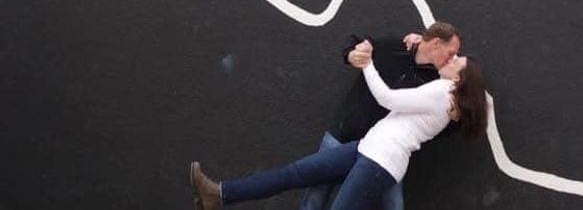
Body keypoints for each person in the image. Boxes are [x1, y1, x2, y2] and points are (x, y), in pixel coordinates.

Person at [190, 40, 488, 209]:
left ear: (460, 79)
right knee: (293, 175)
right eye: (453, 54)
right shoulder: (445, 97)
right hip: (367, 149)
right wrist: (416, 47)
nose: (452, 59)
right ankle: (218, 193)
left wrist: (368, 64)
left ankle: (220, 194)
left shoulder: (442, 92)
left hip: (380, 162)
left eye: (456, 61)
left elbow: (388, 99)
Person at [301, 23, 463, 210]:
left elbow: (447, 122)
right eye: (451, 53)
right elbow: (355, 41)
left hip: (385, 152)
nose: (452, 60)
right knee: (316, 193)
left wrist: (454, 117)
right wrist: (351, 54)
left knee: (394, 205)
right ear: (436, 44)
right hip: (345, 133)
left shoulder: (437, 82)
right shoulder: (392, 45)